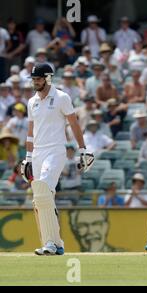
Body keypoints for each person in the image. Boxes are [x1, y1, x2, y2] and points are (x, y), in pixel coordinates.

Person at [23, 63, 94, 256]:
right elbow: (31, 132)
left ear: (48, 78)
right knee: (40, 199)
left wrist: (83, 150)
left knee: (43, 189)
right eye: (34, 79)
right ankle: (55, 243)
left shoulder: (62, 97)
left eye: (38, 79)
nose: (35, 82)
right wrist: (28, 158)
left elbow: (74, 124)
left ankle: (51, 244)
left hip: (55, 150)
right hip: (37, 153)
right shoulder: (32, 102)